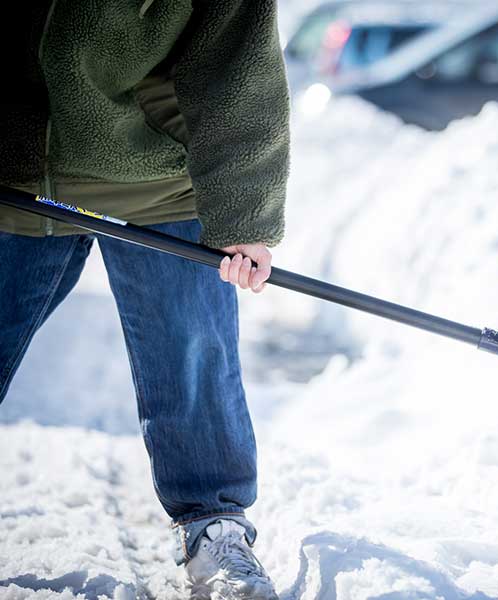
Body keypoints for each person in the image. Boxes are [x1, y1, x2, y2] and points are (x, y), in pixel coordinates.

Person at [0, 1, 289, 598]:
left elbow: (237, 68)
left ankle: (215, 525)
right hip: (13, 175)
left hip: (154, 181)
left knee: (190, 351)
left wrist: (244, 214)